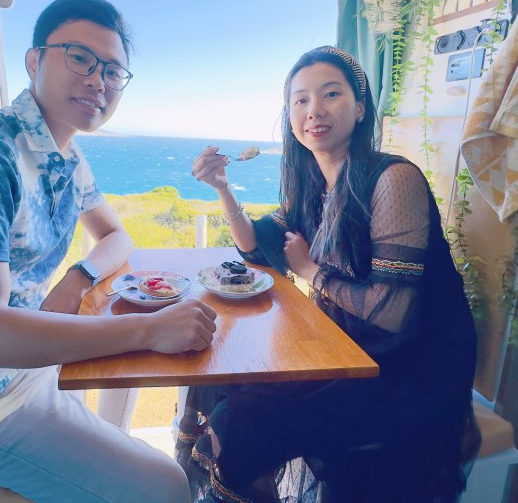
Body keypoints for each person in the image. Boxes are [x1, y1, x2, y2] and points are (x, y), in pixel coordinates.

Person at [0, 0, 217, 503]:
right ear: (34, 61)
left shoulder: (66, 156)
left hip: (28, 368)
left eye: (113, 71)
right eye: (80, 58)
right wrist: (148, 328)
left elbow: (116, 236)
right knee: (166, 486)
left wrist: (78, 277)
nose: (98, 81)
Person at [184, 46, 478, 503]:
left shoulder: (393, 178)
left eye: (331, 94)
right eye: (300, 100)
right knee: (220, 375)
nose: (314, 110)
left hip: (409, 369)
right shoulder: (313, 186)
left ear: (360, 108)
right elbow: (255, 245)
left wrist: (310, 271)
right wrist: (222, 188)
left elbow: (392, 313)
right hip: (346, 348)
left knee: (242, 420)